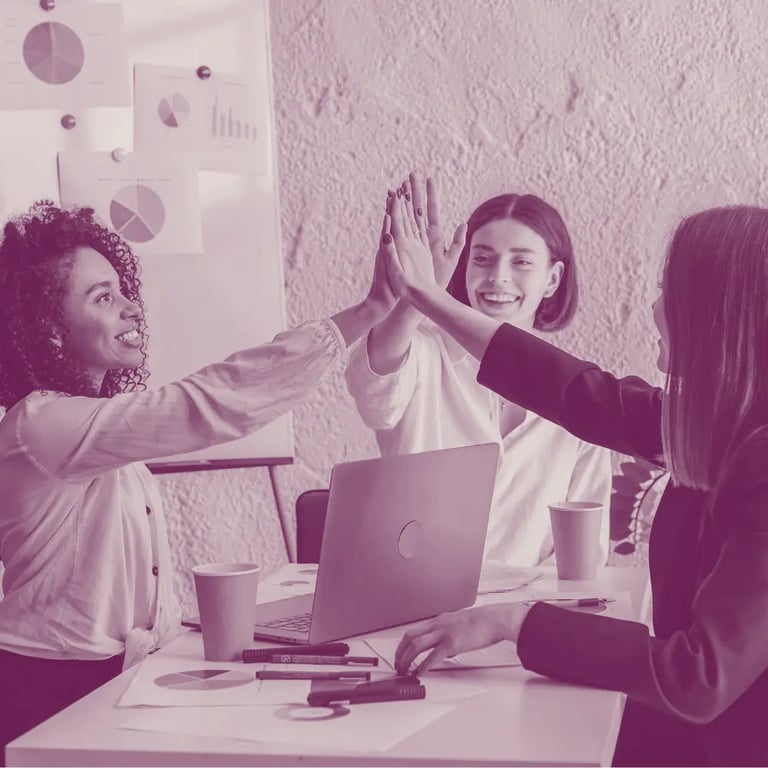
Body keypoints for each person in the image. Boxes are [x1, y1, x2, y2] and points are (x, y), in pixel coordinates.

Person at [382, 179, 768, 766]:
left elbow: (697, 677)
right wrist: (426, 297)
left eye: (669, 290)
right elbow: (573, 390)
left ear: (718, 316)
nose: (654, 307)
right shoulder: (720, 422)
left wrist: (516, 622)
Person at [0, 200, 396, 762]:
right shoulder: (42, 423)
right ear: (49, 331)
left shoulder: (91, 425)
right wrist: (368, 311)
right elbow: (205, 405)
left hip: (112, 678)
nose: (131, 308)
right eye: (103, 298)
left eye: (121, 289)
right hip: (48, 687)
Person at [345, 174, 612, 568]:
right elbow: (373, 387)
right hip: (415, 610)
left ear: (552, 279)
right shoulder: (422, 355)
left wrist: (520, 620)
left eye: (521, 261)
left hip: (524, 618)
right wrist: (420, 293)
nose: (497, 277)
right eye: (482, 258)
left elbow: (583, 554)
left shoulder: (580, 393)